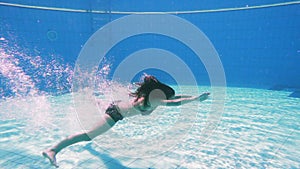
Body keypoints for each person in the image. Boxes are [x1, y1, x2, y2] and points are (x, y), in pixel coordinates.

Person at [42, 75, 210, 167]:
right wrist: (195, 100)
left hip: (117, 107)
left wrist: (196, 96)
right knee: (88, 136)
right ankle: (53, 150)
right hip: (116, 114)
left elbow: (176, 98)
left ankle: (93, 100)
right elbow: (174, 102)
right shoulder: (156, 100)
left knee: (103, 107)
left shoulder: (152, 97)